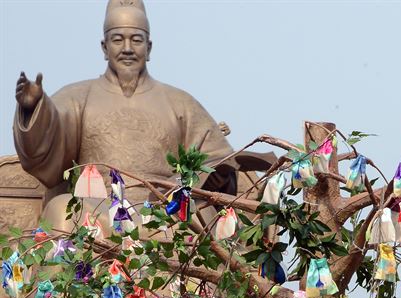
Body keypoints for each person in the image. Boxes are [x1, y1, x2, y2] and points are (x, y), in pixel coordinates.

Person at [13, 0, 235, 232]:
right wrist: (34, 108)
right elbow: (49, 142)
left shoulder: (181, 103)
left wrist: (215, 174)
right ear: (104, 47)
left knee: (195, 218)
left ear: (148, 48)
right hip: (97, 207)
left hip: (162, 211)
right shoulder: (78, 96)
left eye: (136, 40)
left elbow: (217, 159)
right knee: (61, 210)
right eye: (118, 39)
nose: (127, 48)